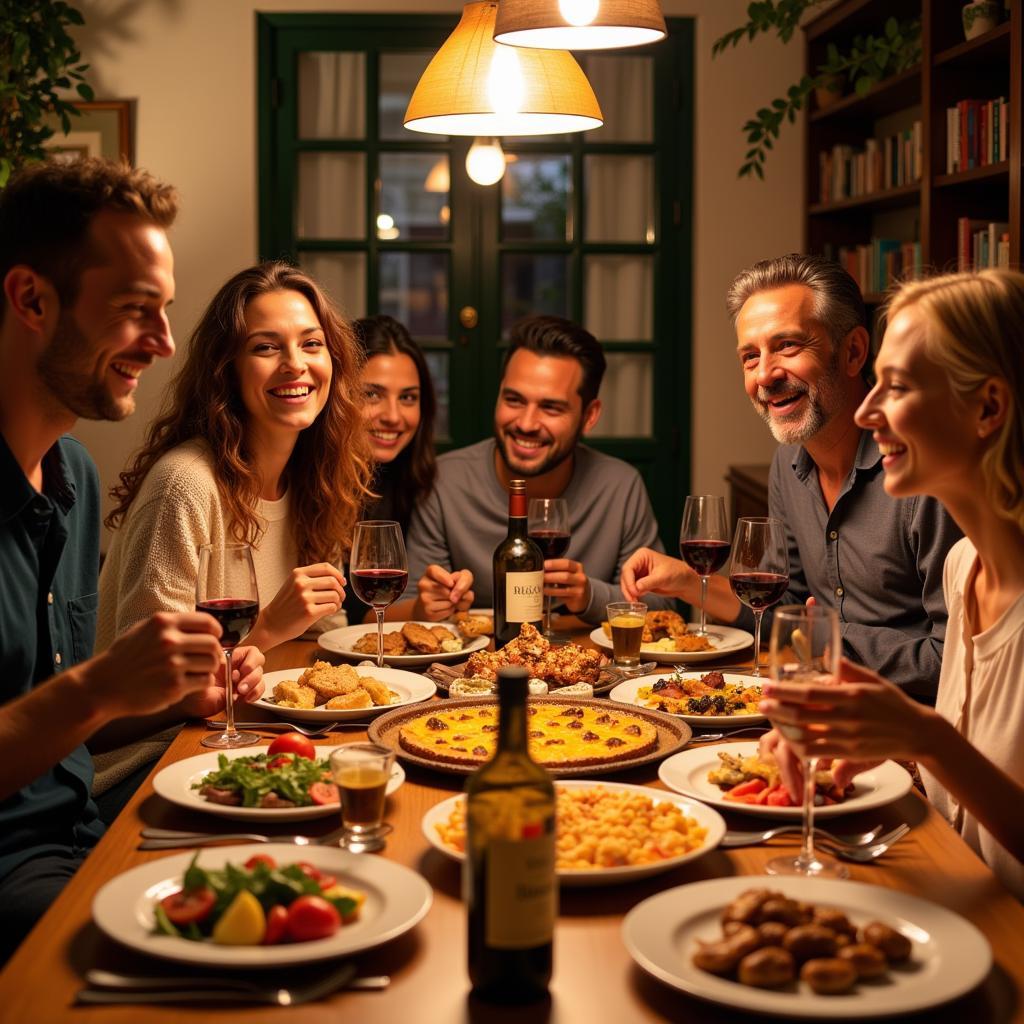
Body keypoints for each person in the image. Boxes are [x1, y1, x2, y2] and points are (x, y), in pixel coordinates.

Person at [0, 158, 262, 962]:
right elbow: (78, 699)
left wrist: (174, 696)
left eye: (167, 310)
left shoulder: (73, 473)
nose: (166, 342)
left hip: (95, 827)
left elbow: (70, 718)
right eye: (135, 310)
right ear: (32, 299)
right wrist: (103, 684)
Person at [761, 269, 1024, 900]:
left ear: (988, 407)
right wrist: (874, 742)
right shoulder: (967, 570)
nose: (867, 410)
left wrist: (919, 736)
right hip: (952, 899)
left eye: (897, 387)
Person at [621, 254, 961, 697]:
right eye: (749, 357)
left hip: (911, 725)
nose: (765, 375)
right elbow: (785, 607)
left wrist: (825, 640)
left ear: (854, 351)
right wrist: (690, 583)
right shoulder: (788, 462)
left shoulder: (926, 472)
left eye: (787, 346)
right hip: (818, 699)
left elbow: (957, 658)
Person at [99, 261, 373, 653]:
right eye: (265, 347)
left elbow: (319, 636)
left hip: (260, 710)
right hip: (173, 716)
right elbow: (149, 674)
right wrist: (268, 627)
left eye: (312, 343)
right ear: (226, 371)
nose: (295, 364)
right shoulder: (184, 485)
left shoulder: (318, 476)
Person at [396, 314, 672, 624]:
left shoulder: (619, 486)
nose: (526, 424)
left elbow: (663, 606)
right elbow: (403, 606)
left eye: (551, 407)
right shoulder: (444, 482)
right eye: (514, 400)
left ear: (589, 415)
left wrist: (588, 596)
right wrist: (428, 605)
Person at [345, 315, 437, 624]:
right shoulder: (305, 485)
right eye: (372, 394)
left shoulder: (419, 485)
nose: (394, 417)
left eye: (408, 397)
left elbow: (373, 617)